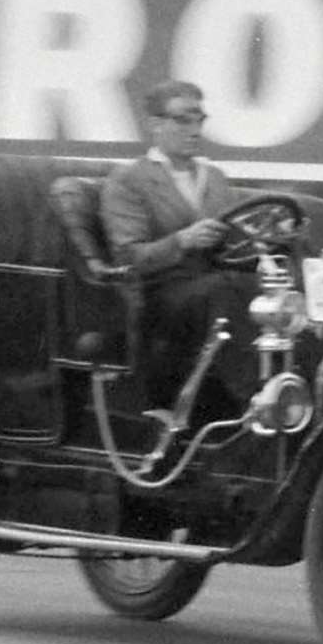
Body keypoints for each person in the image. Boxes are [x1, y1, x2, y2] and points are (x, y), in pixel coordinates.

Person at [101, 79, 247, 421]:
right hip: (160, 299)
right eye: (183, 120)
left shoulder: (214, 178)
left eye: (199, 119)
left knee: (267, 287)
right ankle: (250, 395)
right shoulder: (129, 181)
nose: (195, 130)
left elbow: (234, 237)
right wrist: (183, 240)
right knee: (227, 290)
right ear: (155, 125)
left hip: (216, 290)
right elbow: (128, 258)